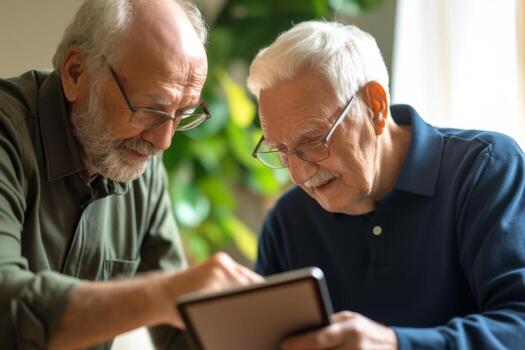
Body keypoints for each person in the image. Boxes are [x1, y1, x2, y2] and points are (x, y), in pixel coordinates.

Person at [247, 20, 525, 349]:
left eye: (312, 141)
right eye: (280, 151)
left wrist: (394, 344)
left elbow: (519, 324)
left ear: (376, 107)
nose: (298, 174)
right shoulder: (288, 220)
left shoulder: (484, 168)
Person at [0, 0, 262, 349]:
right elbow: (7, 305)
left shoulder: (139, 161)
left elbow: (179, 332)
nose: (163, 141)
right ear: (75, 73)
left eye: (182, 113)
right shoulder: (8, 133)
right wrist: (165, 294)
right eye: (150, 108)